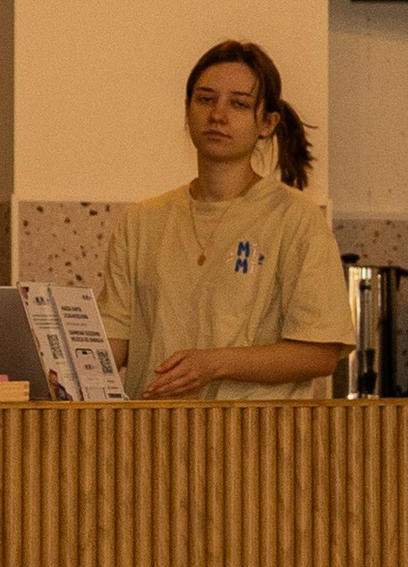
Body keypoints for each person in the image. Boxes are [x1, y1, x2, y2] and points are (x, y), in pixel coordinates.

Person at [101, 40, 353, 399]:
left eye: (238, 104)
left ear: (267, 123)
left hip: (255, 443)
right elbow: (113, 341)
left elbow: (321, 353)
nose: (218, 114)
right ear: (187, 110)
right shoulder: (142, 221)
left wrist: (214, 364)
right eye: (205, 99)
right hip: (153, 438)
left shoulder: (296, 219)